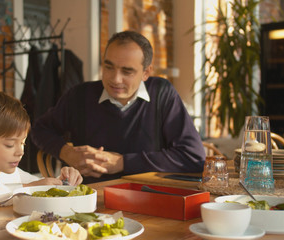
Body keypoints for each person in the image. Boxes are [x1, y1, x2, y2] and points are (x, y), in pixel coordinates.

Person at [31, 31, 205, 183]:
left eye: (127, 71)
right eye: (109, 67)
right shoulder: (79, 95)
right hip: (92, 202)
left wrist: (121, 163)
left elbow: (193, 156)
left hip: (150, 199)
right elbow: (39, 129)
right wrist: (67, 153)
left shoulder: (162, 93)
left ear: (146, 72)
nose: (115, 79)